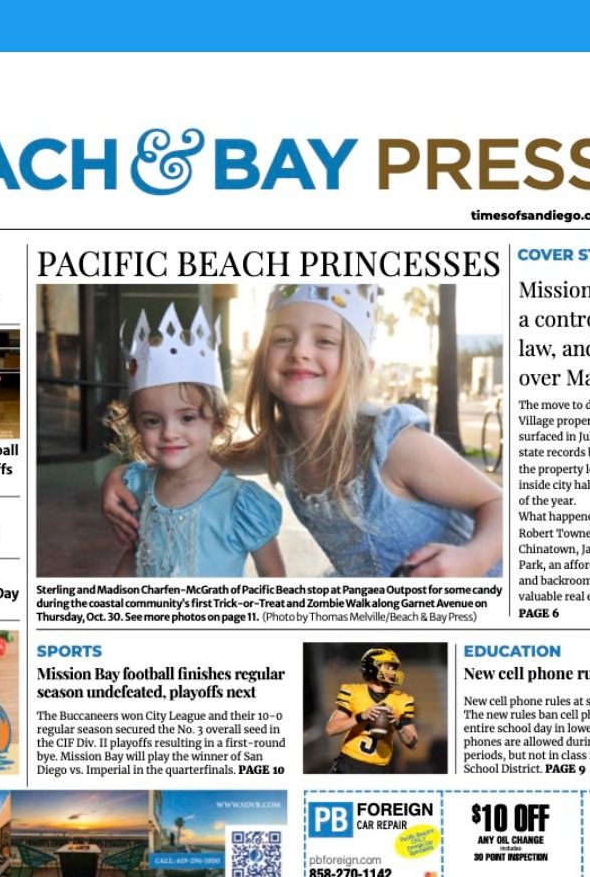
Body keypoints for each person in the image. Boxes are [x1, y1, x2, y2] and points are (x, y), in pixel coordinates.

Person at [104, 285, 503, 577]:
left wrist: (474, 558)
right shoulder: (282, 446)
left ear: (361, 367)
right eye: (283, 339)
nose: (300, 351)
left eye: (325, 340)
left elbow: (501, 504)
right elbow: (195, 456)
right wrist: (123, 474)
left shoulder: (396, 446)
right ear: (262, 362)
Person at [104, 304, 285, 578]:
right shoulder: (138, 487)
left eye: (187, 418)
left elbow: (273, 576)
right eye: (152, 421)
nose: (169, 433)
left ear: (217, 424)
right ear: (136, 426)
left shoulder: (240, 502)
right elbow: (136, 555)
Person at [325, 647, 419, 773]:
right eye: (388, 667)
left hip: (379, 771)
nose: (392, 672)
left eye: (394, 668)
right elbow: (331, 729)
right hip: (348, 766)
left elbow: (413, 744)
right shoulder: (353, 692)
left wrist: (398, 724)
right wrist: (361, 716)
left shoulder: (402, 700)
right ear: (372, 667)